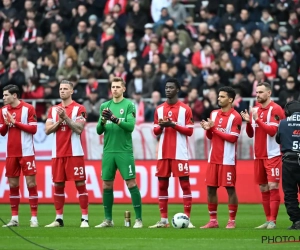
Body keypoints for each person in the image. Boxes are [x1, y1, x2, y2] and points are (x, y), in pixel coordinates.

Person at [95, 77, 142, 228]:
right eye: (113, 87)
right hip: (108, 151)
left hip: (124, 151)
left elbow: (130, 127)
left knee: (131, 183)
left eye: (117, 87)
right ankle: (108, 220)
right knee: (106, 185)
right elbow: (98, 130)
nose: (114, 89)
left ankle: (138, 220)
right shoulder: (105, 106)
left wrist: (114, 119)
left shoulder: (129, 105)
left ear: (123, 89)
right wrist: (103, 120)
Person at [149, 78, 195, 229]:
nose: (168, 90)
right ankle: (163, 220)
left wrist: (173, 124)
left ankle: (187, 220)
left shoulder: (185, 109)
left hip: (180, 153)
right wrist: (162, 126)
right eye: (166, 87)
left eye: (171, 87)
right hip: (163, 153)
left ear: (177, 90)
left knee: (185, 185)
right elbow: (155, 131)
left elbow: (189, 131)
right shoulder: (159, 109)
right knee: (162, 185)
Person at [44, 80, 89, 228]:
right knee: (58, 184)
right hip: (57, 153)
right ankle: (59, 219)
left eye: (65, 89)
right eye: (60, 89)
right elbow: (47, 130)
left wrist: (66, 118)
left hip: (74, 153)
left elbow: (79, 129)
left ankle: (84, 219)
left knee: (80, 184)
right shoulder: (53, 109)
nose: (62, 91)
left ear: (71, 91)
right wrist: (60, 121)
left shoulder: (79, 108)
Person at [240, 82, 284, 229]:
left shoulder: (276, 109)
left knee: (273, 185)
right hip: (258, 155)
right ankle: (267, 220)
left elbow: (272, 131)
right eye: (256, 92)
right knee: (263, 188)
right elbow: (251, 134)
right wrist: (248, 122)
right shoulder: (256, 109)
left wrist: (257, 119)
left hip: (272, 155)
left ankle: (273, 220)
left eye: (260, 92)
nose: (257, 95)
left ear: (269, 93)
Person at [199, 87, 242, 229]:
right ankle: (213, 220)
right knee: (210, 189)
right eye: (219, 96)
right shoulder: (213, 113)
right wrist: (208, 129)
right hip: (213, 158)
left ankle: (232, 220)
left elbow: (233, 138)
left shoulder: (235, 117)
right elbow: (211, 137)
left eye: (222, 97)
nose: (219, 99)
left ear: (230, 100)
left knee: (230, 189)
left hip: (227, 159)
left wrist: (214, 129)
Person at [0, 84, 39, 227]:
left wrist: (15, 123)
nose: (3, 98)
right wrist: (6, 123)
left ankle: (34, 218)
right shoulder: (3, 110)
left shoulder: (28, 108)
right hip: (11, 154)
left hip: (27, 152)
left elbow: (34, 129)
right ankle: (14, 218)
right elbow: (3, 132)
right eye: (3, 95)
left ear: (14, 95)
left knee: (31, 184)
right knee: (13, 185)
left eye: (6, 95)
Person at [275, 100, 300, 230]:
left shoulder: (283, 123)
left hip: (289, 161)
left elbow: (278, 139)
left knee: (290, 193)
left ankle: (297, 221)